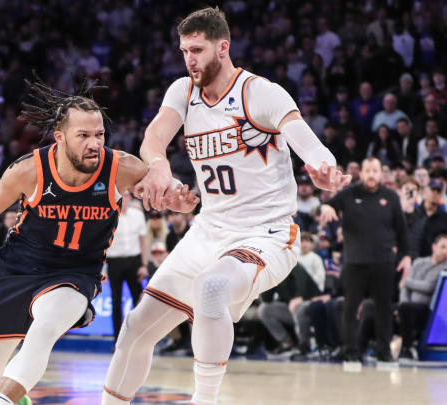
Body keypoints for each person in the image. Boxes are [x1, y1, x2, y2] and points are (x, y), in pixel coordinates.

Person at [101, 8, 349, 405]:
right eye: (184, 51)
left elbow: (306, 139)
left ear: (223, 47)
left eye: (197, 50)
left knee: (212, 289)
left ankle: (206, 400)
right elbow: (153, 138)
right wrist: (160, 167)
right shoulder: (183, 91)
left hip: (267, 233)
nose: (190, 60)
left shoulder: (260, 93)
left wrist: (324, 166)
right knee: (135, 328)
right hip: (209, 230)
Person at [0, 78, 198, 405]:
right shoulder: (29, 170)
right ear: (60, 137)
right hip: (16, 269)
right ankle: (14, 398)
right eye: (83, 135)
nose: (94, 144)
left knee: (43, 331)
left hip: (74, 274)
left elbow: (157, 191)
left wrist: (176, 200)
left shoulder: (121, 168)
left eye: (99, 135)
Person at [319, 157, 410, 367]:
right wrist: (326, 209)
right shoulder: (349, 193)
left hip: (384, 262)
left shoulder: (391, 197)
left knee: (384, 309)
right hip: (354, 262)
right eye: (367, 170)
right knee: (350, 309)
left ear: (381, 174)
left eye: (375, 171)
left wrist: (406, 256)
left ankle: (384, 352)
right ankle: (351, 353)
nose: (371, 175)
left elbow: (402, 231)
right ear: (361, 172)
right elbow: (326, 206)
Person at [105, 191, 148, 343]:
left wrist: (144, 264)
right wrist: (103, 268)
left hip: (134, 262)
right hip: (114, 262)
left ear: (130, 198)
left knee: (139, 299)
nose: (124, 199)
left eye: (127, 196)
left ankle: (141, 337)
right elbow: (103, 242)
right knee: (116, 301)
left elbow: (143, 241)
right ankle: (117, 340)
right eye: (121, 196)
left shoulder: (137, 215)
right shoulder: (108, 215)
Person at [398, 234, 447, 360]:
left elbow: (428, 287)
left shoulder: (444, 267)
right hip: (407, 306)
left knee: (406, 309)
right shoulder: (419, 262)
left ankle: (407, 348)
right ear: (434, 247)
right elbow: (404, 289)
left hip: (426, 309)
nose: (445, 251)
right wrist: (402, 304)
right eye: (443, 247)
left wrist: (407, 282)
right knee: (373, 306)